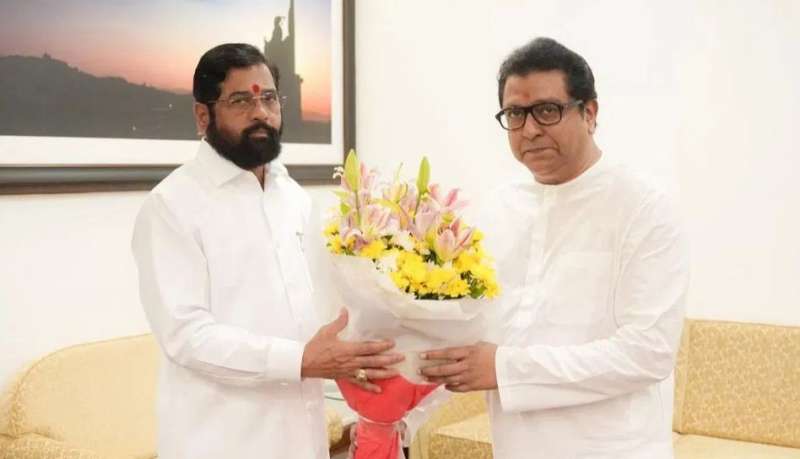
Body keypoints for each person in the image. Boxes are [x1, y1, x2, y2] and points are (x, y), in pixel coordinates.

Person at [419, 37, 689, 459]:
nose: (529, 129)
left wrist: (503, 368)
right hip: (515, 446)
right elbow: (469, 325)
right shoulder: (497, 208)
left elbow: (648, 352)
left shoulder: (644, 205)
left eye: (547, 110)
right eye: (515, 114)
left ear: (590, 113)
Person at [131, 43, 402, 459]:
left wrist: (364, 357)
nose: (261, 113)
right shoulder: (172, 206)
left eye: (270, 98)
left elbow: (316, 311)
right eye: (241, 100)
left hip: (302, 436)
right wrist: (301, 360)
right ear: (203, 116)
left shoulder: (293, 197)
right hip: (221, 443)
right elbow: (187, 337)